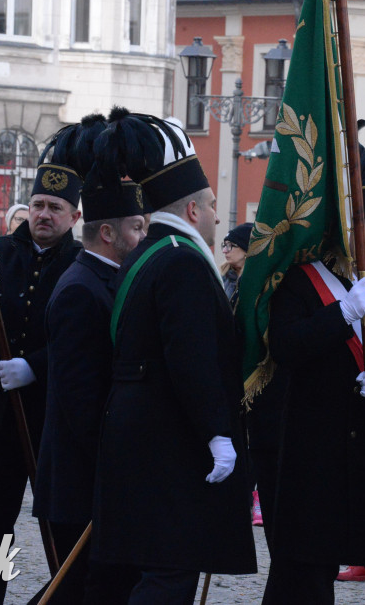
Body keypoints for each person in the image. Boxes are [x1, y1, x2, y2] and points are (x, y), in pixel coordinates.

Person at [92, 110, 255, 603]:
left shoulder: (147, 253)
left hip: (140, 435)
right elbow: (192, 359)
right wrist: (217, 433)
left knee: (156, 571)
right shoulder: (182, 260)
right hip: (171, 442)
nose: (214, 217)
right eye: (209, 207)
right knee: (170, 573)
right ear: (191, 212)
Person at [262, 182, 365, 605]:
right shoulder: (302, 283)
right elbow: (285, 347)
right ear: (348, 233)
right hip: (318, 455)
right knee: (310, 572)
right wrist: (342, 313)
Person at [0, 160, 82, 605]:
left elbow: (86, 339)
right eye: (38, 204)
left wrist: (35, 367)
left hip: (52, 420)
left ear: (74, 217)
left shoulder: (83, 265)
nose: (44, 214)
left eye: (55, 208)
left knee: (61, 530)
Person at [32, 115, 150, 604]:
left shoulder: (106, 281)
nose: (143, 237)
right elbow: (82, 403)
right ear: (107, 234)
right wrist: (115, 469)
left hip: (93, 485)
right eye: (137, 227)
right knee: (77, 593)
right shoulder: (83, 289)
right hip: (80, 486)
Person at [220, 222, 253, 304]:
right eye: (224, 245)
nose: (224, 251)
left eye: (230, 246)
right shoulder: (222, 278)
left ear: (246, 249)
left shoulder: (254, 282)